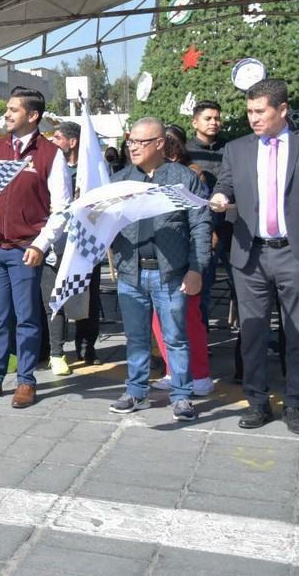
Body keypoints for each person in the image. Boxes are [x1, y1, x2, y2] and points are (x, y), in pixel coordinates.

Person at [211, 79, 299, 435]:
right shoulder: (237, 149)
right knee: (251, 333)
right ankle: (257, 402)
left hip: (296, 254)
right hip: (250, 254)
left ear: (282, 110)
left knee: (298, 333)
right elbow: (225, 183)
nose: (252, 118)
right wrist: (220, 196)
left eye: (260, 111)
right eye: (249, 111)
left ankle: (296, 404)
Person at [0, 87, 71, 409]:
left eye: (13, 110)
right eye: (7, 109)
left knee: (26, 318)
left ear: (32, 115)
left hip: (26, 249)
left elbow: (62, 208)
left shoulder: (50, 154)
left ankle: (26, 380)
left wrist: (41, 245)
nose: (7, 115)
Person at [100, 118, 210, 420]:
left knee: (176, 337)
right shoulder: (121, 181)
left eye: (140, 142)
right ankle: (136, 392)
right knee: (135, 338)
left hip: (170, 273)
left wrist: (197, 268)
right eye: (130, 141)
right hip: (130, 273)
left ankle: (182, 396)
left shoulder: (182, 179)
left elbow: (200, 225)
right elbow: (106, 223)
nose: (133, 147)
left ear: (159, 143)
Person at [148, 123, 214, 397]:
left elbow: (200, 222)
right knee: (160, 321)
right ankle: (173, 370)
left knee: (187, 321)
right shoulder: (147, 177)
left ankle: (199, 375)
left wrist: (196, 264)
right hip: (155, 261)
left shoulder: (189, 177)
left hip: (184, 261)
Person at [43, 121, 101, 374]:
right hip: (55, 237)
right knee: (54, 293)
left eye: (57, 137)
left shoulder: (92, 170)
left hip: (86, 238)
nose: (53, 142)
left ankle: (87, 344)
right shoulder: (50, 167)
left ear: (73, 141)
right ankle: (55, 349)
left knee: (87, 293)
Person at [187, 101, 227, 326]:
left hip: (231, 227)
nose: (214, 122)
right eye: (208, 118)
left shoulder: (229, 149)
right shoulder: (186, 153)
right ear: (195, 122)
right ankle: (201, 339)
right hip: (201, 232)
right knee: (201, 287)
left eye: (217, 118)